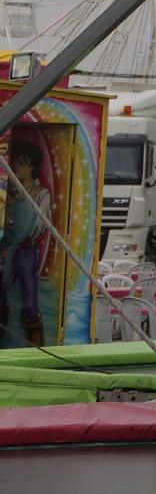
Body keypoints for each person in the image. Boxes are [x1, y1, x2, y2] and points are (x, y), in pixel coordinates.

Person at [1, 140, 53, 348]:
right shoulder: (12, 194)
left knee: (29, 295)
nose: (17, 167)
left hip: (26, 250)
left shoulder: (41, 194)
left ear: (32, 166)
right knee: (3, 289)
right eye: (16, 163)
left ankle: (36, 340)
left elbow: (42, 221)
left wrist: (29, 235)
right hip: (9, 249)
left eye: (22, 163)